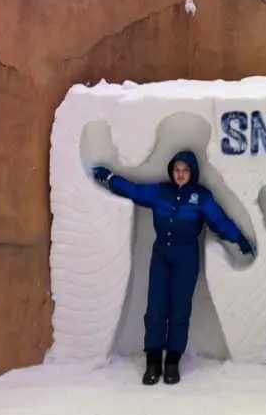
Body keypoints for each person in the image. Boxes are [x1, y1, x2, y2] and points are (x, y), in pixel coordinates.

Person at [92, 150, 255, 386]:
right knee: (156, 308)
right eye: (177, 170)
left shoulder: (201, 197)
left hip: (186, 256)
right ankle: (153, 361)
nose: (180, 175)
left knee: (180, 309)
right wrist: (109, 179)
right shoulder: (161, 192)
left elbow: (219, 221)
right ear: (172, 171)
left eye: (185, 170)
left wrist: (238, 239)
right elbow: (134, 191)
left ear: (192, 173)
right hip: (161, 254)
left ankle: (172, 362)